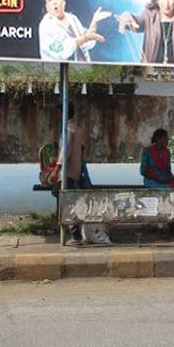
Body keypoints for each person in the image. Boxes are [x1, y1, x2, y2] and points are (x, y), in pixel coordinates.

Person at [57, 102, 111, 245]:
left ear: (61, 113)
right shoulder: (77, 128)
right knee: (74, 202)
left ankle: (75, 236)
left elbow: (65, 152)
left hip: (67, 172)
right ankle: (76, 233)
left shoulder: (68, 129)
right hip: (76, 171)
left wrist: (56, 168)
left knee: (69, 204)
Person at [38, 0, 111, 62]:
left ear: (64, 1)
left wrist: (94, 22)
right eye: (50, 0)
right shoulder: (46, 25)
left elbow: (86, 42)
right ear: (47, 7)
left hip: (84, 71)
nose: (54, 2)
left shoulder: (72, 18)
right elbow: (62, 52)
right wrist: (85, 37)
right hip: (57, 72)